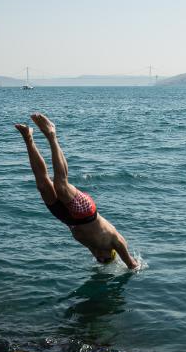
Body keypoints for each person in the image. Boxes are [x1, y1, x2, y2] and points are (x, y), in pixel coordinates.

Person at [15, 113, 139, 269]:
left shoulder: (94, 249)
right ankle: (52, 135)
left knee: (43, 185)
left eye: (99, 261)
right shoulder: (116, 242)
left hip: (66, 218)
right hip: (86, 214)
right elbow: (132, 264)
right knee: (60, 185)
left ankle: (28, 138)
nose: (100, 258)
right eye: (106, 259)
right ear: (112, 253)